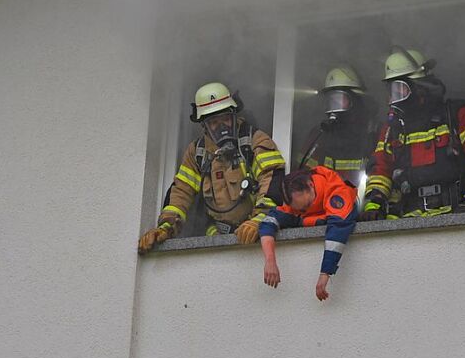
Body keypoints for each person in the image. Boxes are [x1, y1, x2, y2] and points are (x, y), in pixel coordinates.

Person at [138, 82, 285, 254]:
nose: (221, 126)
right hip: (216, 236)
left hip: (253, 231)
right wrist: (165, 227)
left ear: (234, 115)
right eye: (214, 122)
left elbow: (273, 179)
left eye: (225, 119)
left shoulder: (254, 140)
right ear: (204, 125)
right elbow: (181, 192)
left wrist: (260, 219)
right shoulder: (197, 152)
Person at [360, 48, 465, 220]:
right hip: (407, 223)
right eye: (390, 91)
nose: (392, 99)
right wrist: (374, 206)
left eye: (399, 90)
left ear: (420, 88)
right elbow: (380, 171)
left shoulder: (458, 114)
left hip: (457, 215)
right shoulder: (392, 129)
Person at [259, 166, 358, 301]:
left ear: (311, 185)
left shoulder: (337, 192)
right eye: (299, 209)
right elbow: (268, 224)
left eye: (307, 206)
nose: (303, 211)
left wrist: (325, 273)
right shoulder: (295, 200)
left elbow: (337, 232)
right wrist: (270, 261)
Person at [297, 66, 378, 191]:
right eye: (330, 101)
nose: (334, 107)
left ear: (354, 100)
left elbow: (381, 172)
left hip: (362, 204)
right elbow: (302, 178)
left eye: (339, 100)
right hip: (327, 207)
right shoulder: (319, 135)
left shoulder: (373, 133)